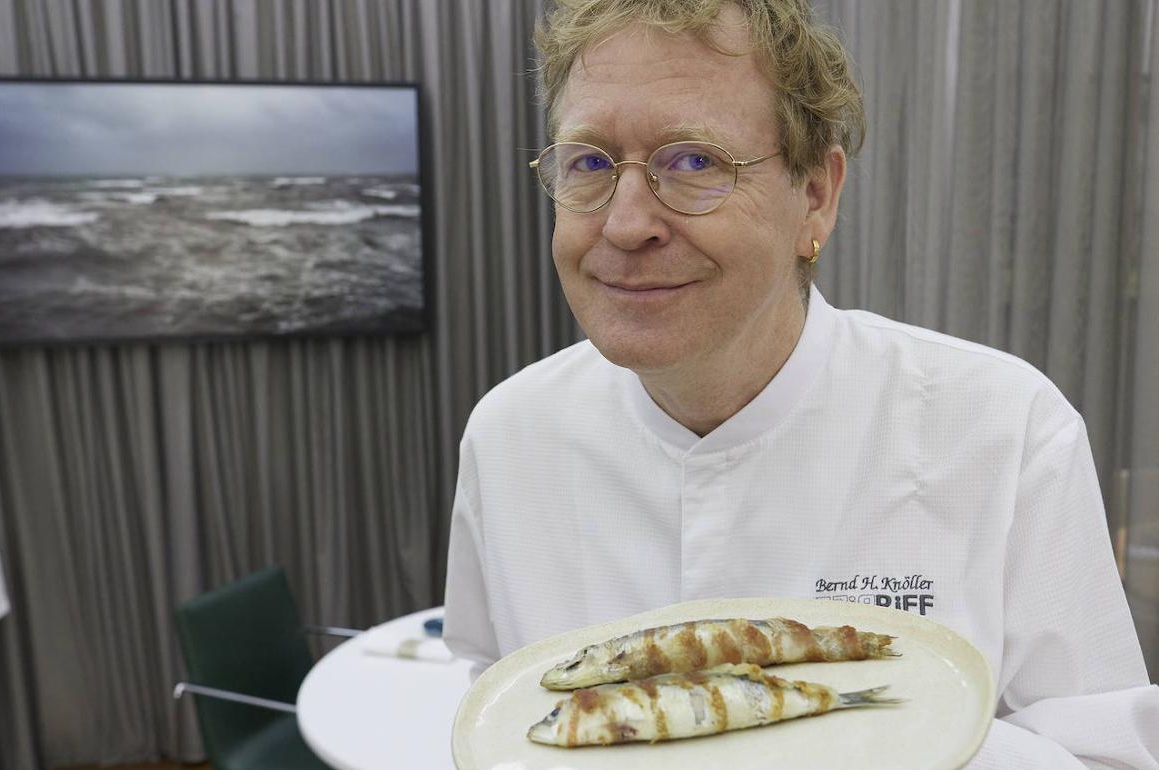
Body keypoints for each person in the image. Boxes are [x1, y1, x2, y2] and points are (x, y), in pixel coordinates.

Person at [443, 0, 1159, 766]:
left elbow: (1101, 752)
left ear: (816, 194)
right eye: (588, 162)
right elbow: (503, 709)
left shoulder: (1003, 430)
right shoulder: (510, 434)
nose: (625, 225)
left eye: (693, 161)